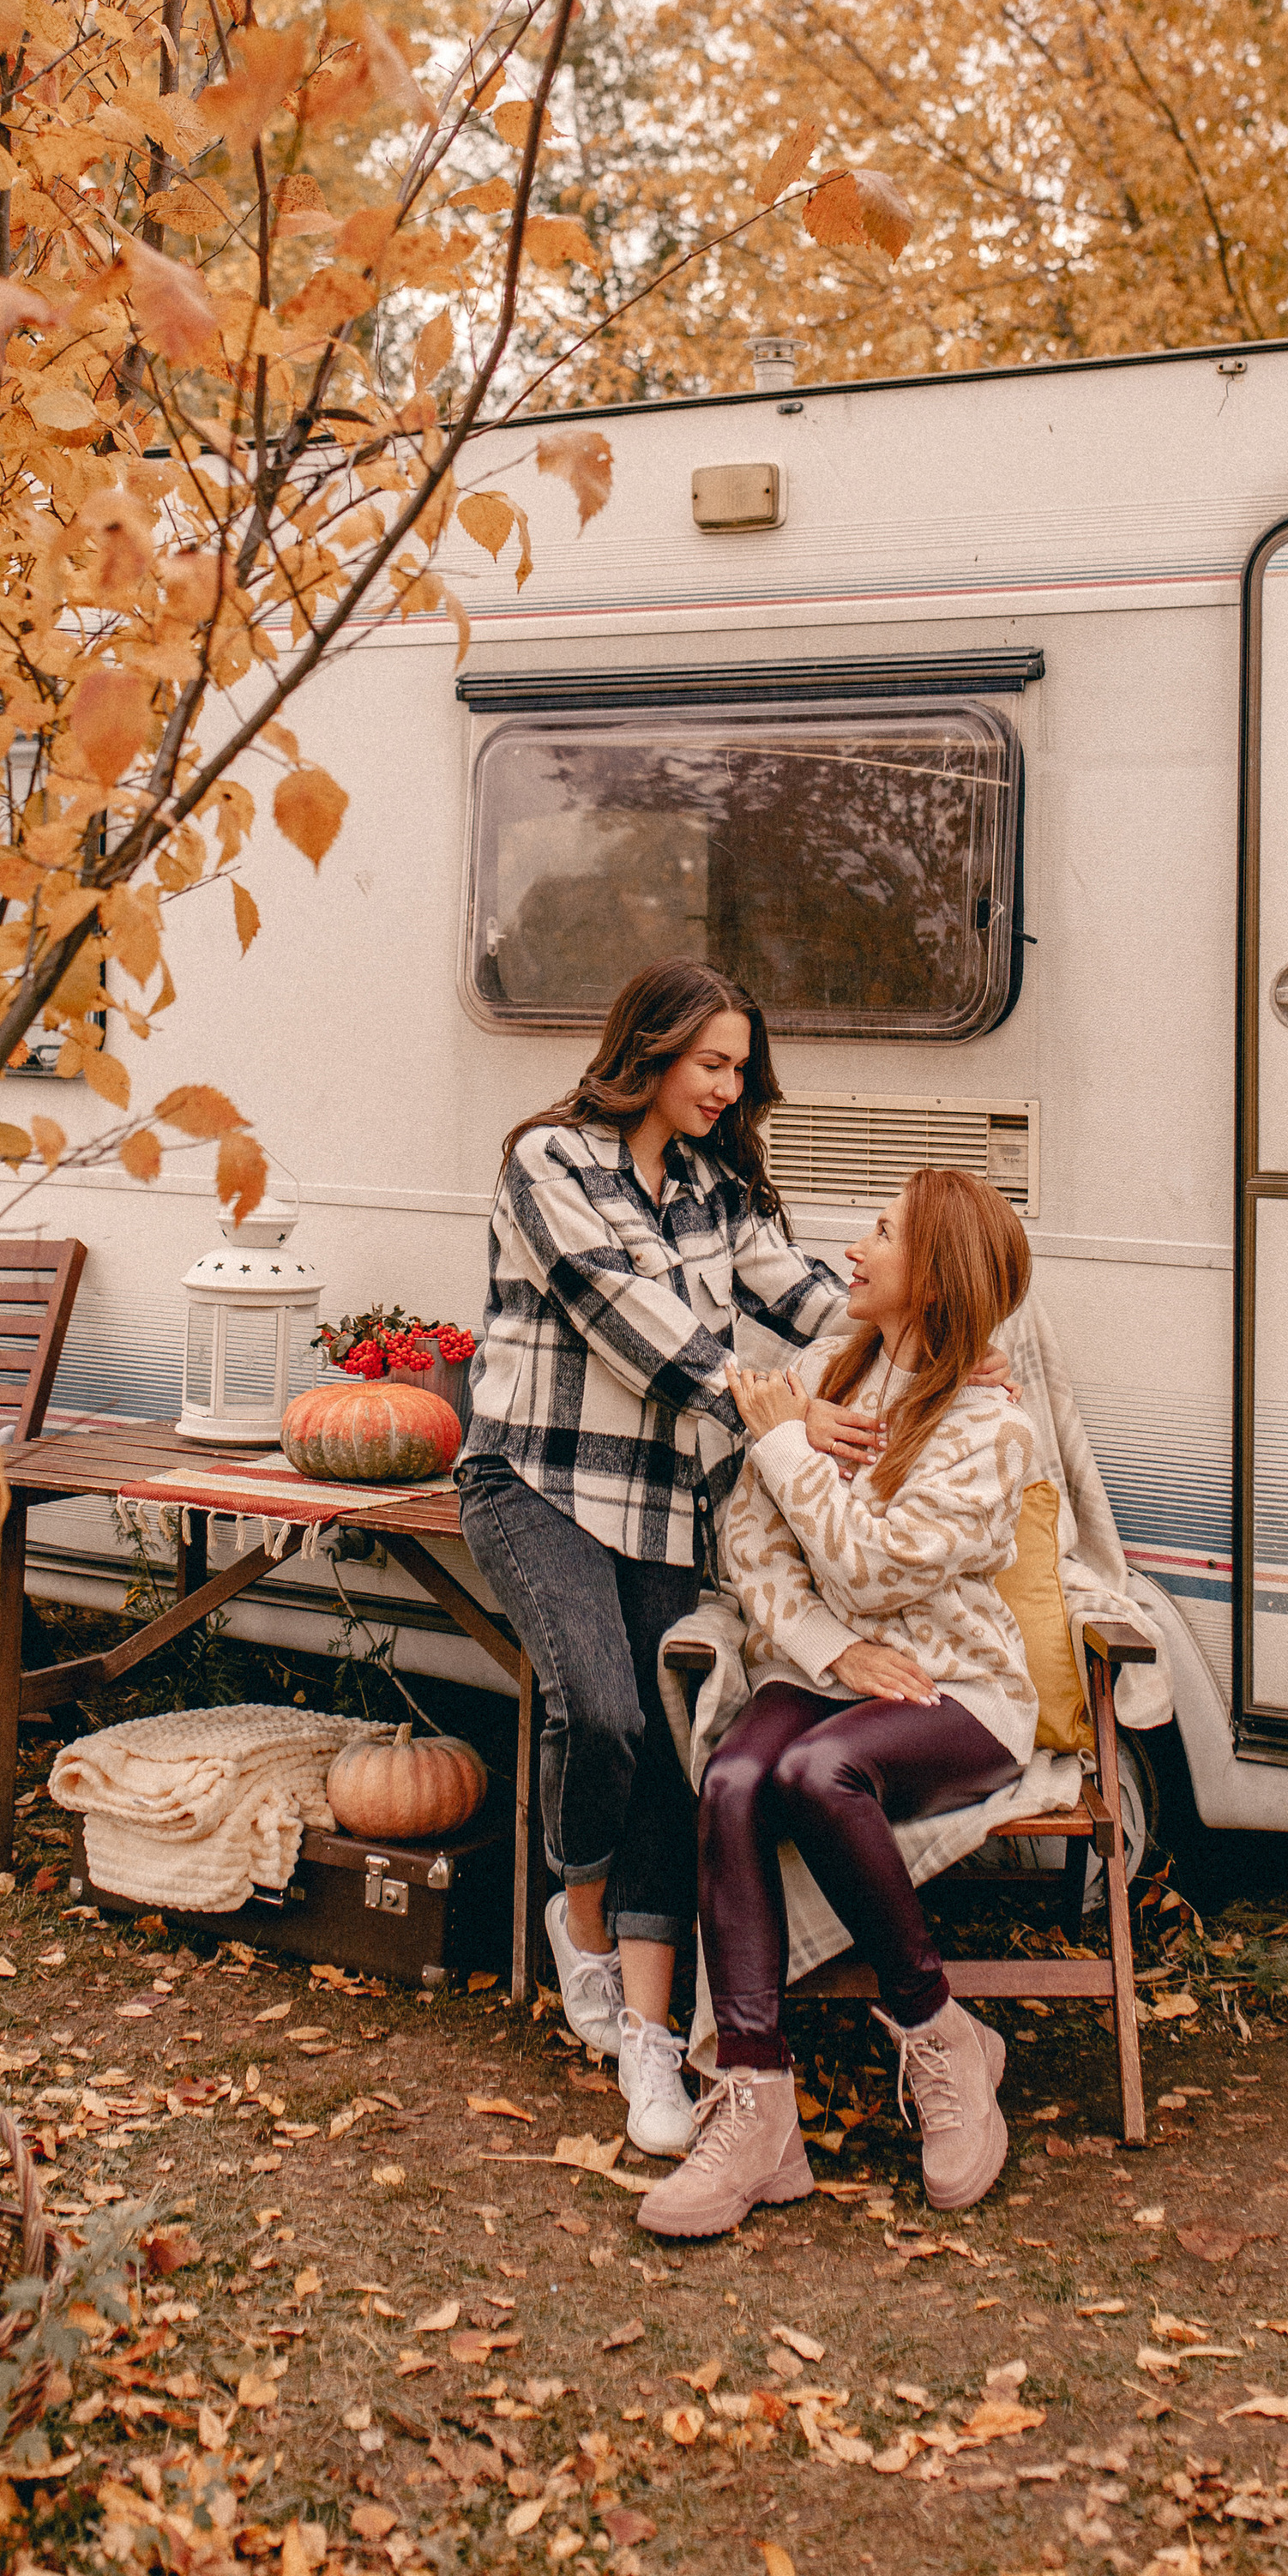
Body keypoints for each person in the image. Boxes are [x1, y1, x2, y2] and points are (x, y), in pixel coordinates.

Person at [456, 960, 852, 2158]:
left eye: (741, 1069)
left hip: (666, 1504)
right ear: (653, 1051)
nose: (730, 1089)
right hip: (537, 1480)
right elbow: (623, 1316)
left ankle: (646, 2037)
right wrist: (773, 1407)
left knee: (673, 1753)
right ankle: (577, 1917)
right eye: (712, 1064)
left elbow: (804, 1292)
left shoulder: (719, 1188)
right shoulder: (549, 1161)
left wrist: (935, 1324)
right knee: (606, 1711)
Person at [638, 1167, 1039, 2239]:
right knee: (732, 1777)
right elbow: (751, 1545)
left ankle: (941, 2034)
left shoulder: (990, 1427)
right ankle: (759, 2106)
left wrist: (779, 1442)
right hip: (819, 1671)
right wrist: (828, 1648)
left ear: (939, 1275)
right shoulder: (818, 1371)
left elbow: (871, 1569)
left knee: (819, 1772)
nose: (854, 1249)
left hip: (957, 1690)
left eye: (883, 1234)